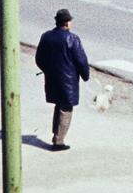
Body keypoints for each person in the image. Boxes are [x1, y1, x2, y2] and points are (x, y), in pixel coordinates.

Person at [35, 8, 91, 152]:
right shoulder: (72, 39)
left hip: (52, 78)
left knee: (59, 106)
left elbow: (39, 58)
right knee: (66, 109)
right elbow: (81, 60)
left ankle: (56, 136)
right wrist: (85, 75)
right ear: (67, 23)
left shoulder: (46, 36)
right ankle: (59, 142)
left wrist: (48, 70)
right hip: (68, 80)